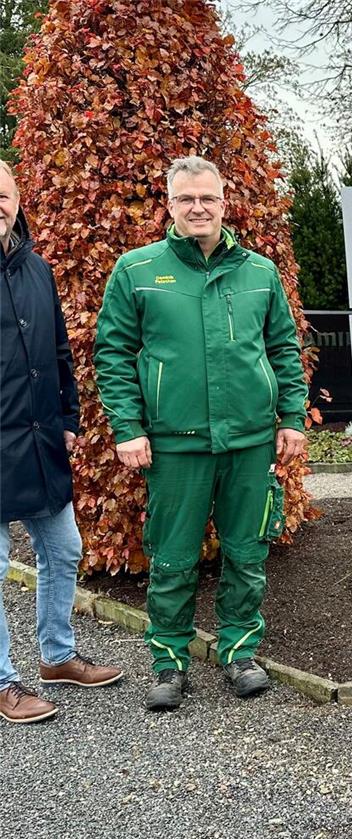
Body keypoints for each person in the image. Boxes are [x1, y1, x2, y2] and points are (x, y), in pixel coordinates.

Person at [93, 156, 307, 712]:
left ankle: (240, 652)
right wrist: (128, 427)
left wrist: (290, 418)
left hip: (250, 440)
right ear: (170, 204)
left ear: (223, 202)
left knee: (246, 551)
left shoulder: (258, 273)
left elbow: (284, 349)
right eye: (186, 199)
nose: (198, 208)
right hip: (174, 443)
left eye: (207, 198)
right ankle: (168, 663)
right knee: (172, 557)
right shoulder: (138, 270)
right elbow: (113, 353)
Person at [0, 160, 122, 724]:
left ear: (17, 199)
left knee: (64, 548)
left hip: (42, 441)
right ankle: (4, 682)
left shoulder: (36, 269)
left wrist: (68, 416)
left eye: (2, 196)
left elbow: (59, 353)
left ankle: (57, 655)